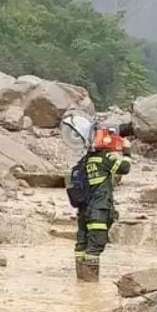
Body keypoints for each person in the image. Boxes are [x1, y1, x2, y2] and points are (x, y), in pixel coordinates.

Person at [63, 115, 133, 282]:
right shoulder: (105, 158)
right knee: (95, 247)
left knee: (81, 245)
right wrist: (127, 151)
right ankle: (90, 286)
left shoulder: (84, 161)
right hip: (99, 210)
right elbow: (124, 168)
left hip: (84, 211)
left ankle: (81, 282)